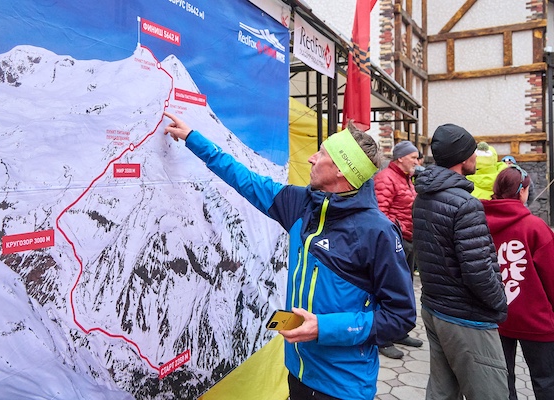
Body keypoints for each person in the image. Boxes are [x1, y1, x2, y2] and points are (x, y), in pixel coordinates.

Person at [163, 111, 416, 399]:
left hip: (343, 386)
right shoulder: (301, 204)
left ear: (341, 170)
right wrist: (193, 138)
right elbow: (244, 179)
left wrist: (324, 328)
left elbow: (400, 317)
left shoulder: (377, 232)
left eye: (321, 154)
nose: (311, 159)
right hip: (297, 372)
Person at [412, 123, 508, 399]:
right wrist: (499, 303)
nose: (476, 156)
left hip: (435, 308)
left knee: (442, 392)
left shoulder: (423, 196)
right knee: (491, 394)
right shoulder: (465, 204)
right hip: (466, 317)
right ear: (462, 157)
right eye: (473, 151)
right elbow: (478, 270)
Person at [481, 166, 554, 400]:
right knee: (546, 381)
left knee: (503, 381)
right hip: (536, 318)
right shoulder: (535, 227)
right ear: (522, 191)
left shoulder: (479, 223)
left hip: (494, 314)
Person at [373, 140, 423, 359]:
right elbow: (380, 212)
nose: (417, 162)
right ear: (400, 158)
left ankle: (399, 331)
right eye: (413, 157)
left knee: (404, 289)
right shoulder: (386, 178)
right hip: (395, 241)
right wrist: (398, 230)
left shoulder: (406, 178)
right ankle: (383, 338)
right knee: (389, 290)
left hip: (408, 240)